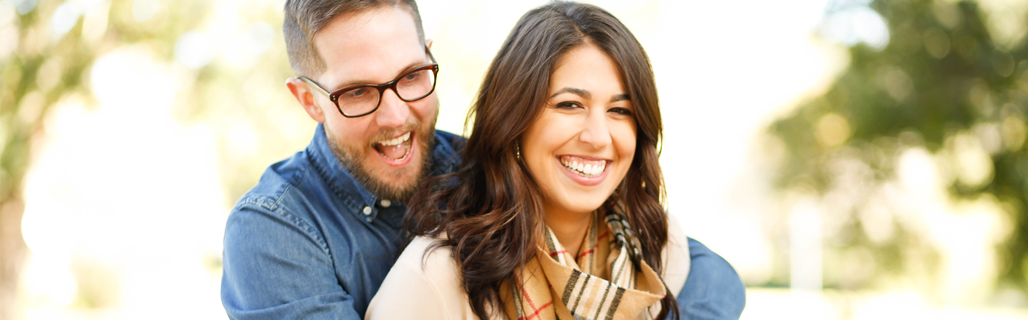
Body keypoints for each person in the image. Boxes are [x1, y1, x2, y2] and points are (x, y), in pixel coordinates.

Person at [221, 0, 745, 319]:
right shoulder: (274, 231)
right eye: (357, 92)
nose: (396, 115)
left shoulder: (489, 165)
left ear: (429, 55)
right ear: (309, 99)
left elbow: (709, 275)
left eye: (411, 77)